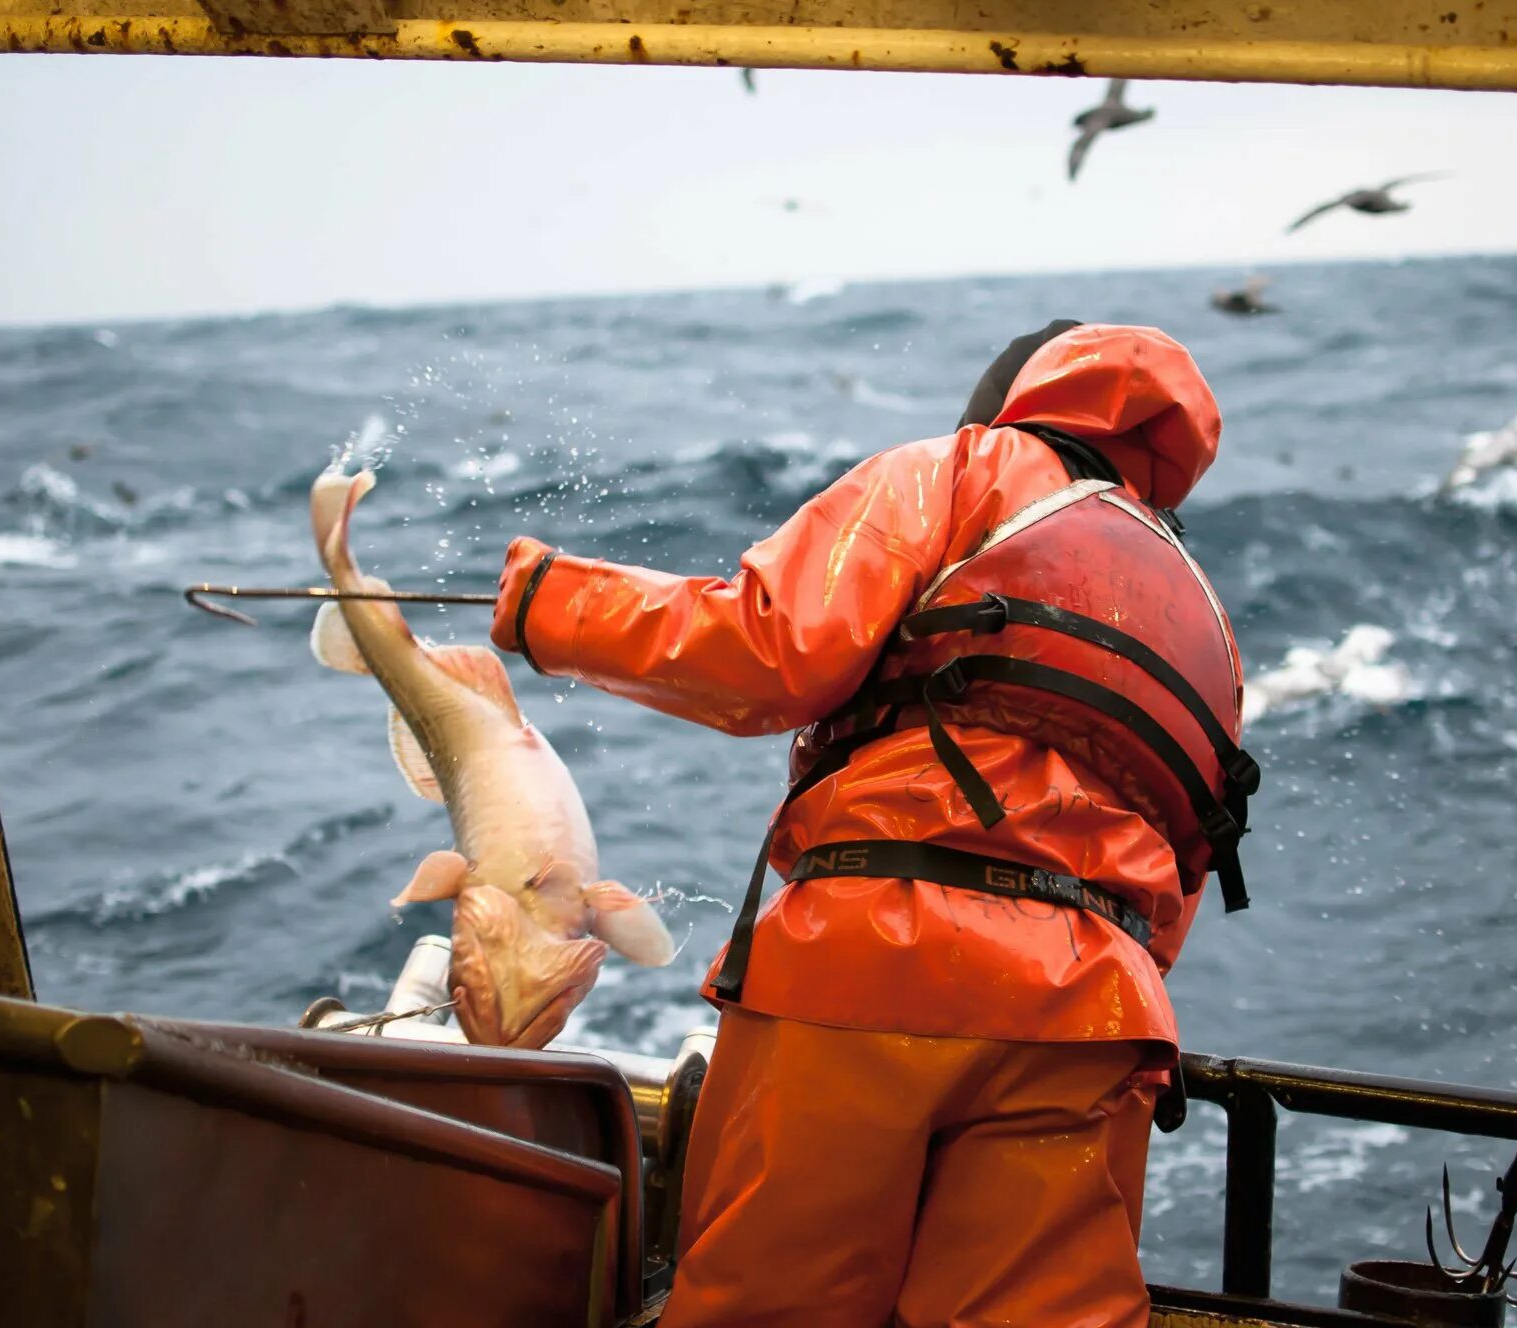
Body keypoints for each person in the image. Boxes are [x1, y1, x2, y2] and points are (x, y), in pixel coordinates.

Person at [484, 320, 1256, 1328]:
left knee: (770, 1305)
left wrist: (547, 602)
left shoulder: (955, 472)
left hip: (871, 966)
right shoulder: (1197, 607)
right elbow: (1183, 867)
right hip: (1093, 1013)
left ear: (1008, 401)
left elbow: (768, 650)